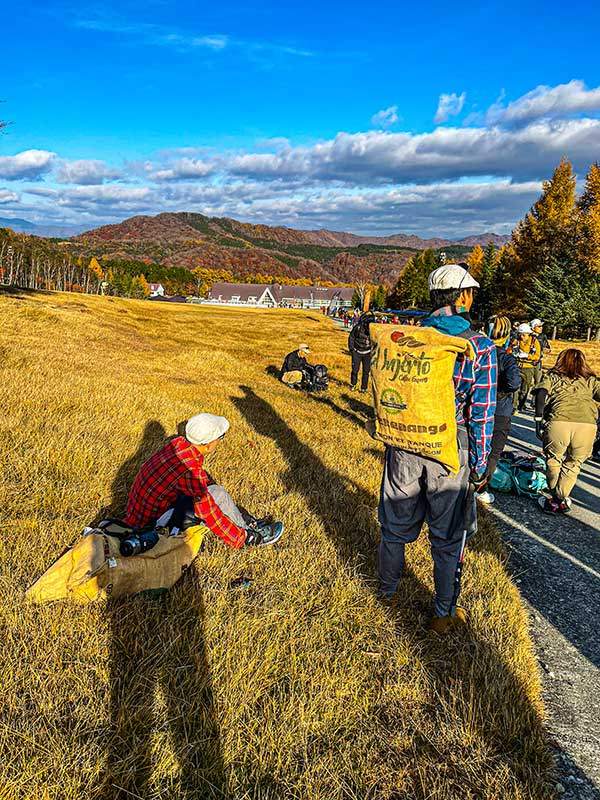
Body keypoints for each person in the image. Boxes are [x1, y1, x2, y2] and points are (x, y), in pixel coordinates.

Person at [378, 264, 497, 634]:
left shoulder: (408, 338)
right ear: (463, 296)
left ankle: (386, 594)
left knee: (393, 528)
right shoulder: (479, 347)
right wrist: (479, 466)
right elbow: (482, 414)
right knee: (447, 538)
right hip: (450, 448)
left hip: (404, 442)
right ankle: (443, 613)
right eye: (471, 293)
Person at [124, 413, 284, 546]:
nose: (220, 442)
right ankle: (250, 535)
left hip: (137, 515)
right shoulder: (189, 470)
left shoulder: (177, 444)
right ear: (207, 445)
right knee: (217, 495)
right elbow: (208, 512)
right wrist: (239, 539)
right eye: (221, 437)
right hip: (148, 527)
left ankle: (245, 522)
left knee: (212, 490)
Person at [534, 349, 600, 514]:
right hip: (587, 425)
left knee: (553, 459)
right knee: (573, 464)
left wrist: (538, 418)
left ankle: (555, 497)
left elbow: (541, 393)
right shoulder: (591, 380)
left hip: (559, 421)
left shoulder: (553, 377)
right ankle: (559, 498)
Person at [476, 316, 521, 504]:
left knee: (474, 444)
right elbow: (514, 383)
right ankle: (481, 487)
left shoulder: (479, 352)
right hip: (500, 409)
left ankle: (467, 480)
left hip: (477, 404)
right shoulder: (507, 358)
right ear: (508, 335)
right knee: (494, 451)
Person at [511, 323, 541, 412]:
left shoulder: (534, 342)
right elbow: (510, 349)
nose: (522, 336)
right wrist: (514, 352)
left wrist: (527, 356)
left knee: (525, 389)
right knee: (515, 387)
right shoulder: (517, 340)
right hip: (517, 365)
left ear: (529, 334)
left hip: (528, 367)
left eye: (524, 335)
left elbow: (537, 356)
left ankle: (521, 404)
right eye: (520, 334)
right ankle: (514, 406)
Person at [348, 312, 375, 393]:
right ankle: (353, 384)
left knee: (366, 372)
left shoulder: (374, 330)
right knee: (355, 370)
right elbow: (351, 337)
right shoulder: (358, 327)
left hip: (367, 353)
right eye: (368, 324)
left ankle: (364, 388)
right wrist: (352, 349)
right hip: (357, 352)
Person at [530, 318, 551, 385]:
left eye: (541, 326)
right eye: (539, 326)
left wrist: (545, 350)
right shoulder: (527, 335)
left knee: (538, 382)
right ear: (533, 328)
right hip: (527, 362)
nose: (541, 328)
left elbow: (547, 348)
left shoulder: (543, 336)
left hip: (537, 362)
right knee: (526, 383)